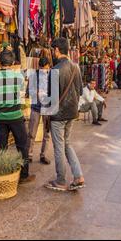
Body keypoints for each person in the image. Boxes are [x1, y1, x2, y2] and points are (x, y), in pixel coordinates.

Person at [0, 48, 35, 183]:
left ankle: (3, 174)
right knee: (22, 145)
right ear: (12, 62)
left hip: (0, 117)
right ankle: (24, 175)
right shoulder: (18, 77)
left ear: (0, 63)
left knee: (2, 146)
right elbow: (21, 94)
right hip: (15, 116)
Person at [45, 37, 85, 192]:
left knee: (59, 147)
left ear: (56, 50)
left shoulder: (55, 70)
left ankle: (61, 180)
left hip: (59, 115)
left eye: (52, 50)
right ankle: (78, 176)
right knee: (67, 144)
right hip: (72, 112)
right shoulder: (76, 67)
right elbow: (80, 91)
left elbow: (51, 97)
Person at [27, 57, 51, 165]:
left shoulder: (51, 76)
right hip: (36, 107)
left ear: (48, 67)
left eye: (45, 69)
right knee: (32, 133)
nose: (43, 71)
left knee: (47, 133)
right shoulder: (33, 76)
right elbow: (28, 92)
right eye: (42, 69)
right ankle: (29, 154)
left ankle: (43, 155)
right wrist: (34, 92)